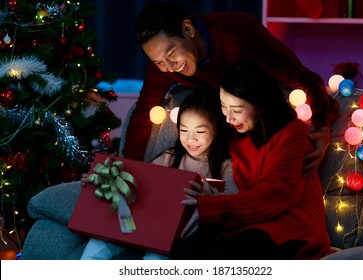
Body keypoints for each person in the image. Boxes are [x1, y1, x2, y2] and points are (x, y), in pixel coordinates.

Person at [123, 0, 339, 175]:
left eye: (171, 54)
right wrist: (128, 171)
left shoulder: (238, 35)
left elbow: (306, 79)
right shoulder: (163, 67)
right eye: (158, 61)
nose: (169, 68)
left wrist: (323, 128)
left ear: (188, 29)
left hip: (266, 125)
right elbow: (143, 113)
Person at [174, 61, 331, 260]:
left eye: (237, 110)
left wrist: (215, 206)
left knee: (225, 256)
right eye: (224, 106)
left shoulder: (293, 132)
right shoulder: (234, 133)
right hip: (247, 220)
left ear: (260, 105)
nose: (229, 118)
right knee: (188, 249)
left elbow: (276, 194)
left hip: (292, 225)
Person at [80, 88, 238, 260]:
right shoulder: (169, 158)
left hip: (175, 236)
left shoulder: (225, 166)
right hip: (143, 223)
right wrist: (101, 178)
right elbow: (140, 179)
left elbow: (233, 197)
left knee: (155, 259)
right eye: (184, 131)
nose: (191, 139)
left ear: (217, 130)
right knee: (98, 243)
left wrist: (211, 198)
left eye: (200, 132)